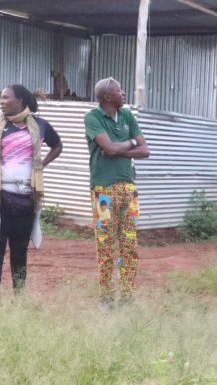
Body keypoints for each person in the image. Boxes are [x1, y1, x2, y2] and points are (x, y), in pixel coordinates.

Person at [0, 84, 63, 298]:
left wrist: (41, 165)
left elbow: (57, 146)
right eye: (0, 98)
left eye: (5, 98)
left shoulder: (40, 125)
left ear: (20, 100)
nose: (1, 102)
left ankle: (19, 296)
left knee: (20, 248)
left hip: (26, 197)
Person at [85, 77, 150, 308]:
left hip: (128, 190)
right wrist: (128, 145)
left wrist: (119, 148)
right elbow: (109, 147)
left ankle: (128, 295)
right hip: (103, 190)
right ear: (107, 97)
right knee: (106, 245)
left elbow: (145, 150)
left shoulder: (127, 116)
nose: (123, 93)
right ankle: (107, 296)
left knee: (130, 245)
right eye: (119, 90)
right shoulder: (92, 118)